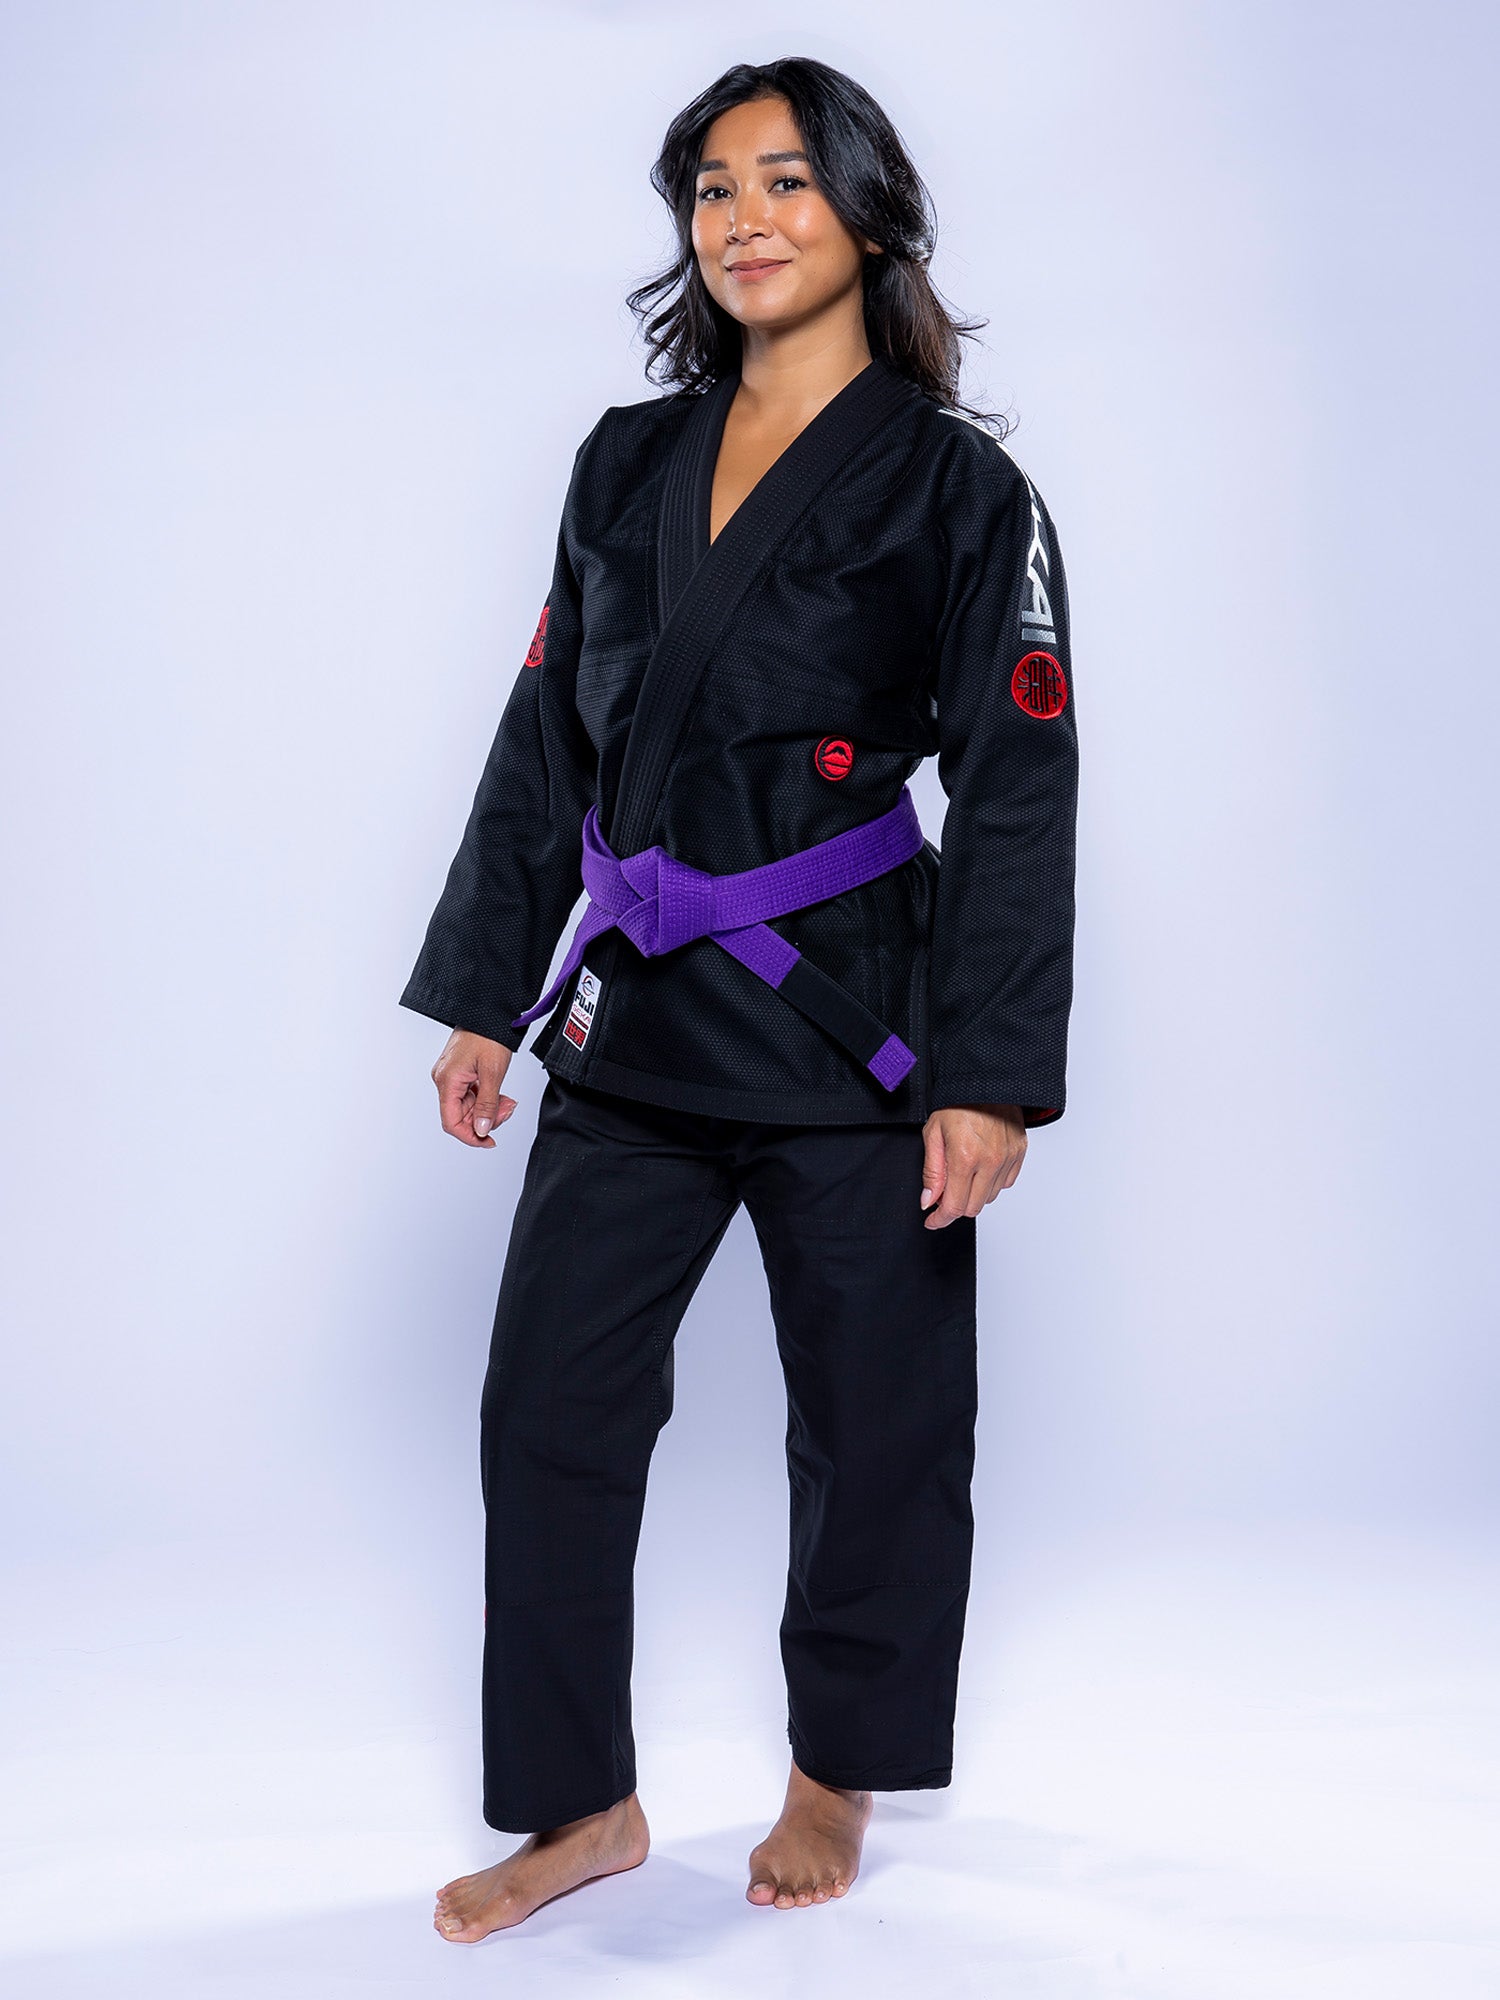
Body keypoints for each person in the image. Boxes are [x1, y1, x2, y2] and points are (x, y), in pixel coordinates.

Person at [399, 55, 1078, 1939]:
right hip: (634, 1017)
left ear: (869, 212)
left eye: (784, 181)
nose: (744, 219)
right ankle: (577, 1804)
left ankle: (831, 1777)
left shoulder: (962, 490)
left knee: (877, 1424)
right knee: (548, 1404)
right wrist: (485, 986)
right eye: (710, 189)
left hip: (861, 1029)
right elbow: (550, 737)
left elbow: (1020, 786)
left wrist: (992, 1075)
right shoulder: (623, 462)